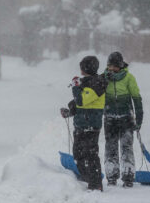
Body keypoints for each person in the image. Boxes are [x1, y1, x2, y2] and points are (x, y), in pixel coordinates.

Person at [60, 55, 107, 191]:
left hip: (90, 125)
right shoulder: (87, 82)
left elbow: (81, 100)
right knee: (78, 154)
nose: (80, 71)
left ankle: (96, 183)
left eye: (82, 68)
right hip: (81, 124)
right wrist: (69, 112)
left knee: (91, 154)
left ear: (86, 68)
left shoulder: (97, 84)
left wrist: (75, 87)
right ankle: (88, 177)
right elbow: (78, 105)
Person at [103, 51, 143, 187]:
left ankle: (128, 175)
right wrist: (104, 80)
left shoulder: (128, 78)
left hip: (126, 118)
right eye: (110, 66)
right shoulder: (104, 77)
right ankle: (111, 175)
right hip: (109, 117)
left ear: (120, 66)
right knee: (110, 146)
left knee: (126, 146)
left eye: (115, 67)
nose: (112, 69)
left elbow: (136, 98)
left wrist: (139, 118)